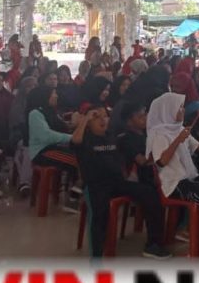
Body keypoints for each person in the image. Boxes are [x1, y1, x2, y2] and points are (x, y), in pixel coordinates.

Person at [73, 107, 170, 260]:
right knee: (100, 216)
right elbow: (75, 141)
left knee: (150, 193)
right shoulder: (85, 138)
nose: (103, 120)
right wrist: (86, 118)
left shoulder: (111, 137)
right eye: (97, 117)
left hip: (117, 183)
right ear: (89, 123)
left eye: (105, 116)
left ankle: (154, 244)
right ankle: (96, 259)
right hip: (97, 186)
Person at [147, 93, 199, 245]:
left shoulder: (179, 129)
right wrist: (178, 140)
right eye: (179, 108)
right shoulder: (160, 134)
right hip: (175, 183)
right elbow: (161, 162)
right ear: (169, 110)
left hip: (190, 176)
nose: (183, 110)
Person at [25, 85, 78, 210]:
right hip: (42, 152)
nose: (56, 96)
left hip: (53, 148)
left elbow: (63, 127)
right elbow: (46, 136)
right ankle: (73, 200)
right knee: (79, 161)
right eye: (53, 93)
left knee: (83, 155)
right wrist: (71, 138)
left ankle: (75, 194)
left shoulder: (50, 111)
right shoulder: (35, 113)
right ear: (45, 96)